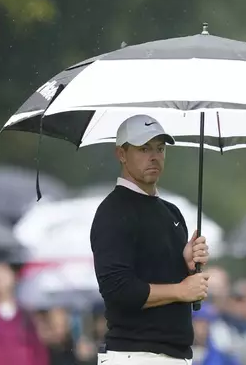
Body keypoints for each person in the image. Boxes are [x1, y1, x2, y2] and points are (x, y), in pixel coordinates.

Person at [90, 114, 211, 365]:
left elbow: (174, 285)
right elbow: (119, 291)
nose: (154, 156)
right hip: (133, 354)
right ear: (121, 154)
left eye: (160, 148)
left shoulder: (172, 212)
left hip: (176, 355)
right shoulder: (112, 211)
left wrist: (186, 266)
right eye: (144, 149)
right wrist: (181, 289)